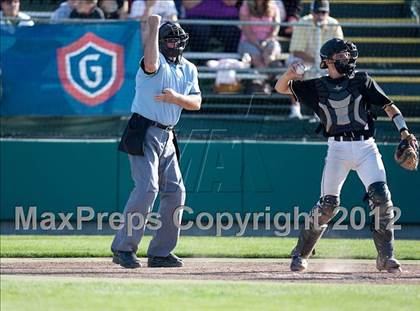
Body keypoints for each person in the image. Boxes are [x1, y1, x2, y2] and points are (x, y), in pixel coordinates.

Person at [275, 38, 418, 273]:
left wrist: (404, 131)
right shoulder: (317, 86)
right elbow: (280, 88)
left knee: (382, 197)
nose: (347, 60)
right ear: (328, 62)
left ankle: (386, 256)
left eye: (348, 56)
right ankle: (300, 254)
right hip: (337, 149)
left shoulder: (362, 80)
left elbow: (389, 106)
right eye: (341, 57)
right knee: (328, 206)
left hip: (365, 147)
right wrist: (290, 73)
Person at [111, 15, 201, 268]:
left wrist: (176, 98)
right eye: (169, 39)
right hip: (144, 129)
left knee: (176, 192)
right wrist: (152, 27)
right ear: (160, 42)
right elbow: (150, 63)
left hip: (168, 134)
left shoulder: (189, 68)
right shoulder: (155, 60)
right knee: (147, 188)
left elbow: (196, 103)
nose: (174, 43)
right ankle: (123, 248)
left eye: (177, 39)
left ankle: (161, 252)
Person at [287, 0, 343, 119]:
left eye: (324, 12)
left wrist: (325, 63)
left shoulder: (334, 24)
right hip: (306, 59)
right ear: (312, 12)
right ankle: (295, 110)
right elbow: (296, 51)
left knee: (339, 72)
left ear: (328, 12)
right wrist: (316, 61)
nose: (320, 15)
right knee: (296, 68)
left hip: (327, 62)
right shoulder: (302, 22)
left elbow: (339, 51)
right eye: (318, 12)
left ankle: (322, 112)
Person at [238, 0, 281, 68]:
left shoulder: (274, 7)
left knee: (269, 56)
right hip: (248, 42)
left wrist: (266, 42)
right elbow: (247, 31)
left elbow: (275, 29)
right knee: (256, 58)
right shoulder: (245, 7)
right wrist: (258, 44)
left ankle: (271, 75)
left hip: (269, 41)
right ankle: (268, 76)